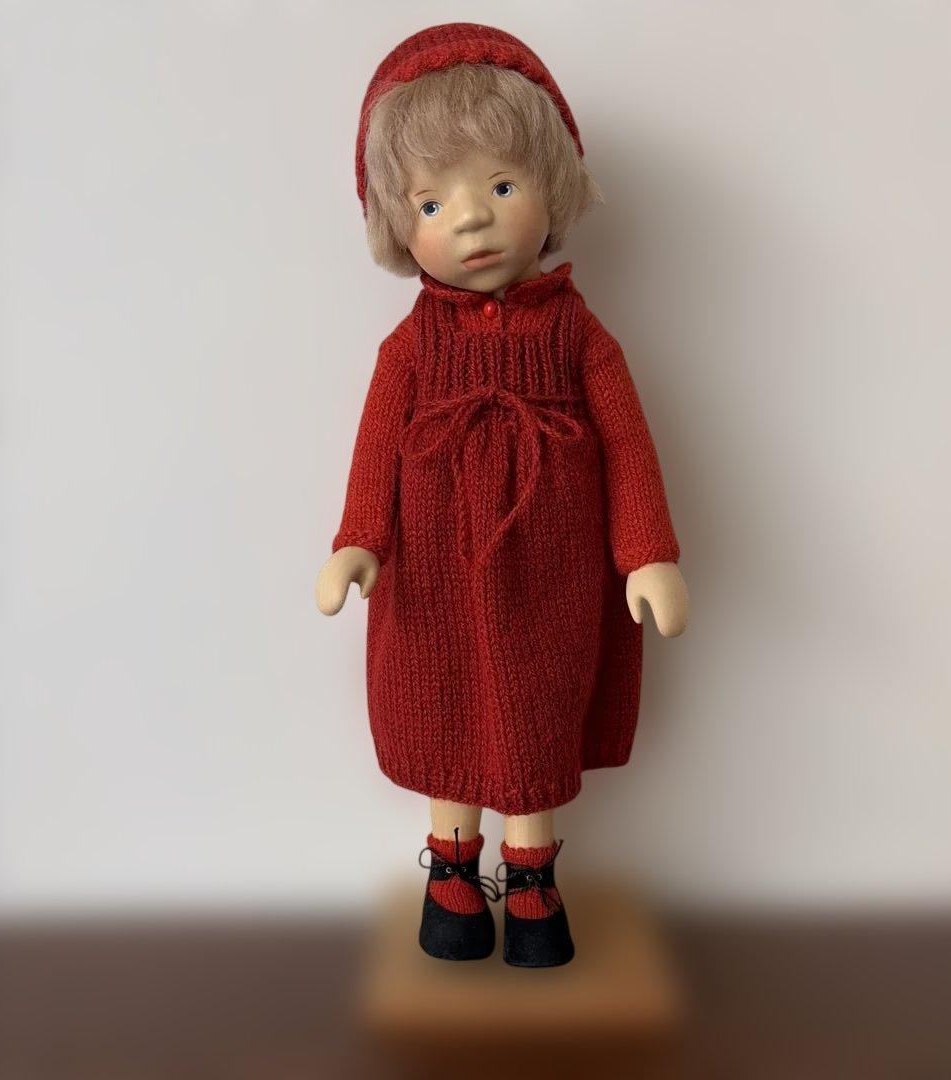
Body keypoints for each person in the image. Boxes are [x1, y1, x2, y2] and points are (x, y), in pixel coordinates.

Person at [315, 24, 689, 967]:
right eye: (432, 200)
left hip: (547, 581)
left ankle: (531, 884)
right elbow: (375, 450)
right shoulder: (411, 349)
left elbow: (628, 447)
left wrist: (647, 553)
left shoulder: (580, 339)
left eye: (502, 187)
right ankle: (451, 876)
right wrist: (358, 541)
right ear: (396, 222)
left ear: (551, 185)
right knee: (441, 709)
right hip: (435, 581)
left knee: (533, 714)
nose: (472, 221)